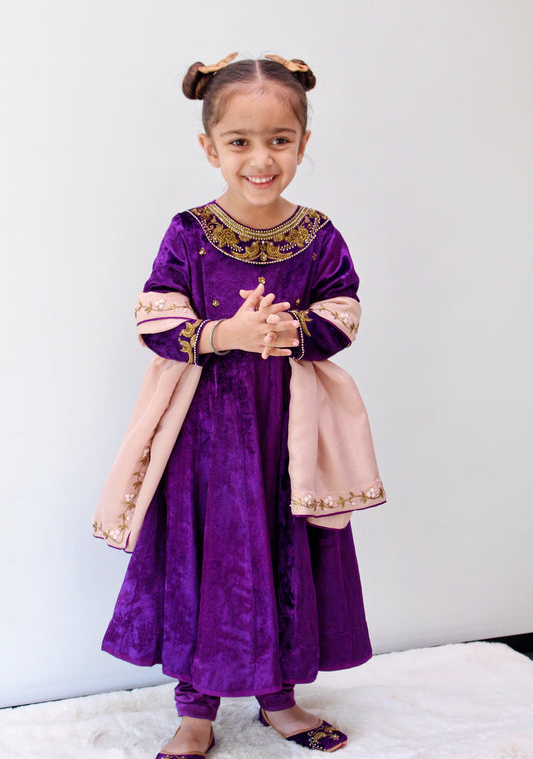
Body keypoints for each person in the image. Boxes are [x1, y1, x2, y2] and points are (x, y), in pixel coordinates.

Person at [93, 52, 386, 759]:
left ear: (303, 144)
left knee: (286, 554)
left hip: (289, 433)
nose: (261, 158)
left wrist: (292, 330)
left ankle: (279, 699)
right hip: (203, 439)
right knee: (204, 558)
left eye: (279, 140)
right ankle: (195, 711)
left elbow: (343, 309)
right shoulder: (190, 232)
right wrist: (224, 333)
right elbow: (155, 314)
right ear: (209, 147)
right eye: (239, 141)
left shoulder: (317, 235)